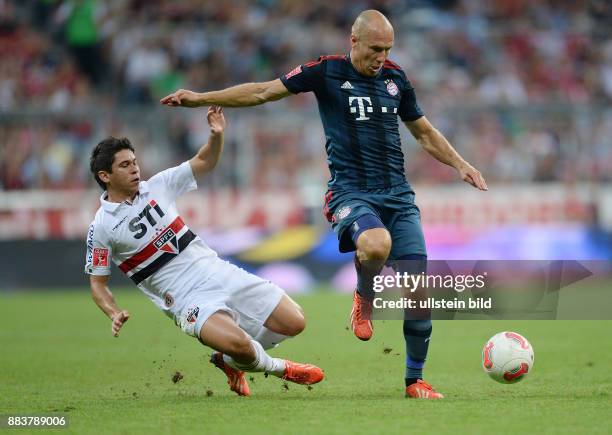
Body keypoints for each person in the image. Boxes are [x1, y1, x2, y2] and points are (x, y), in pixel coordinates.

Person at [160, 10, 488, 399]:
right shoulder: (326, 71)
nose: (381, 57)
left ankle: (414, 381)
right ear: (354, 41)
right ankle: (365, 294)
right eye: (375, 48)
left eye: (387, 49)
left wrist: (461, 164)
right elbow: (263, 90)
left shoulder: (396, 79)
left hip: (398, 196)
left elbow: (424, 132)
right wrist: (201, 98)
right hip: (351, 193)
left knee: (418, 292)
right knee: (376, 244)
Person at [85, 106, 324, 397]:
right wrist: (112, 312)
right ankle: (279, 367)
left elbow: (204, 161)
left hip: (218, 271)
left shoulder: (158, 186)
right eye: (124, 165)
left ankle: (230, 361)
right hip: (187, 299)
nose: (135, 168)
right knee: (241, 345)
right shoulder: (102, 227)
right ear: (105, 175)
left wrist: (216, 135)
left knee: (294, 322)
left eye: (134, 162)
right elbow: (98, 284)